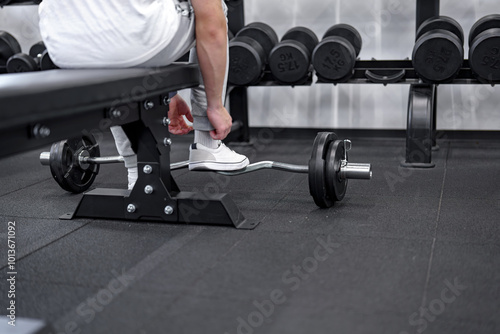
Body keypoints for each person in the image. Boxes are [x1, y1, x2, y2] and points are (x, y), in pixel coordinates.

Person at [38, 0, 249, 189]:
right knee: (214, 7)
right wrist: (215, 107)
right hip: (130, 35)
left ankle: (135, 169)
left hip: (61, 42)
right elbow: (211, 25)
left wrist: (166, 91)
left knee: (112, 52)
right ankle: (207, 143)